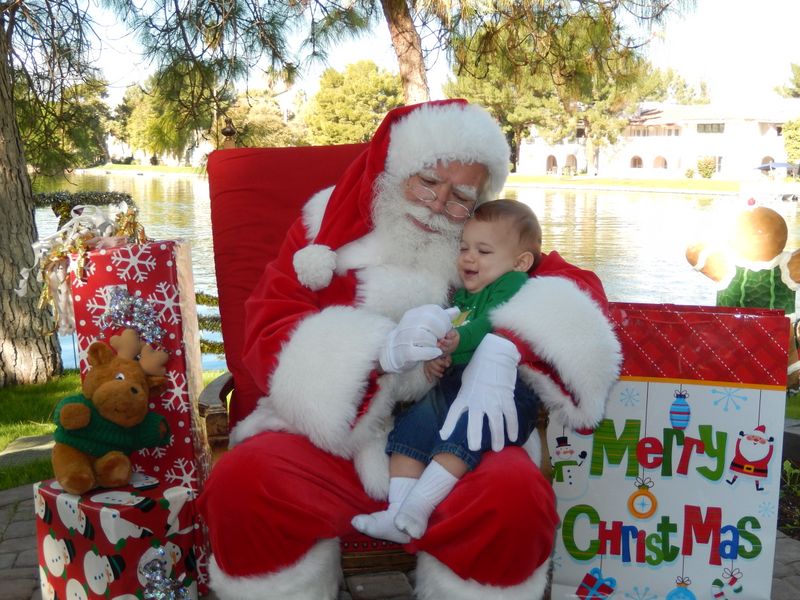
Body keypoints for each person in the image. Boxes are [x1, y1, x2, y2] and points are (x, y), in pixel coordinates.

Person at [198, 100, 622, 600]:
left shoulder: (483, 243)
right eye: (427, 182)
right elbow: (272, 324)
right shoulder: (321, 232)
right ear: (396, 169)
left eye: (461, 196)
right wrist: (378, 354)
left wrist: (502, 349)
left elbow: (576, 292)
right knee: (246, 482)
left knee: (515, 498)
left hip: (453, 444)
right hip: (338, 437)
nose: (439, 204)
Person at [351, 200, 544, 544]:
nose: (468, 257)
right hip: (456, 384)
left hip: (502, 392)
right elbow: (458, 326)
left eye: (483, 251)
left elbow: (490, 323)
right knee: (412, 429)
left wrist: (458, 340)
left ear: (520, 262)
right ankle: (397, 514)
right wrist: (436, 357)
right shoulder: (466, 295)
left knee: (462, 435)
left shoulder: (513, 285)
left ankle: (419, 506)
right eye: (464, 247)